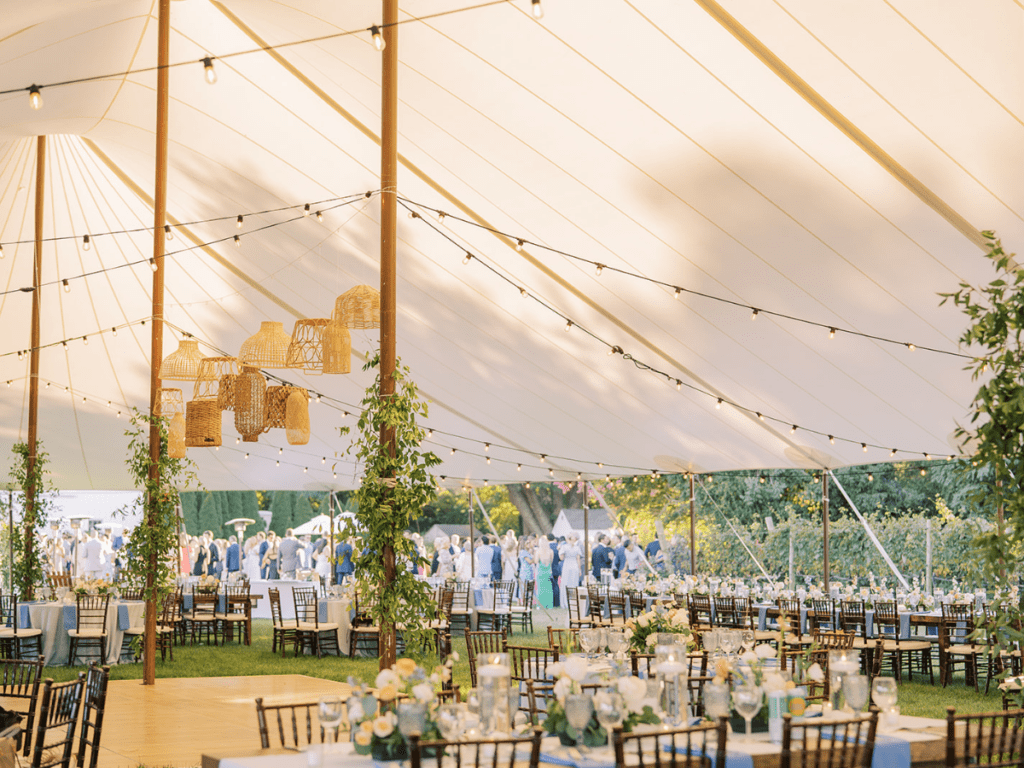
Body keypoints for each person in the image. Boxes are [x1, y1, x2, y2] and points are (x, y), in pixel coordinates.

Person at [558, 534, 582, 608]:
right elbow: (578, 559)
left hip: (567, 566)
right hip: (574, 566)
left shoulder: (564, 547)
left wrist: (559, 550)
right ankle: (573, 601)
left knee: (566, 583)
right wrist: (579, 569)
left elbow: (561, 558)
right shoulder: (577, 547)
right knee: (574, 584)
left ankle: (565, 602)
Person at [535, 538, 553, 609]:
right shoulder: (550, 551)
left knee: (540, 589)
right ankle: (548, 604)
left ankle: (540, 604)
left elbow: (536, 561)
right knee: (548, 589)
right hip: (548, 571)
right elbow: (551, 561)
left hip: (541, 572)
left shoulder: (538, 551)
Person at [548, 534, 562, 607]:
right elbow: (560, 558)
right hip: (556, 568)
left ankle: (550, 601)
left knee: (549, 585)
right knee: (556, 585)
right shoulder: (558, 546)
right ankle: (556, 602)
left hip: (549, 568)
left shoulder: (547, 547)